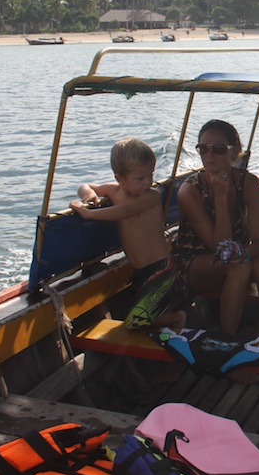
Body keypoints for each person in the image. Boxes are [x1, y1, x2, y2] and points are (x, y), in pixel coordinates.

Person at [171, 120, 259, 342]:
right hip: (193, 263)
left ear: (234, 151)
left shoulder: (249, 183)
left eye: (218, 148)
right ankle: (227, 345)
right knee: (241, 268)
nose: (209, 155)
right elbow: (218, 246)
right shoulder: (189, 191)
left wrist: (245, 254)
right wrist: (221, 197)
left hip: (236, 258)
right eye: (203, 149)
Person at [69, 137, 186, 330]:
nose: (147, 182)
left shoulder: (151, 196)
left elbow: (125, 211)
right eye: (140, 178)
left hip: (160, 267)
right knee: (137, 316)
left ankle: (177, 318)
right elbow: (85, 185)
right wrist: (89, 196)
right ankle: (164, 324)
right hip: (140, 270)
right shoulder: (114, 191)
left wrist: (89, 213)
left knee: (133, 322)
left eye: (150, 175)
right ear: (120, 179)